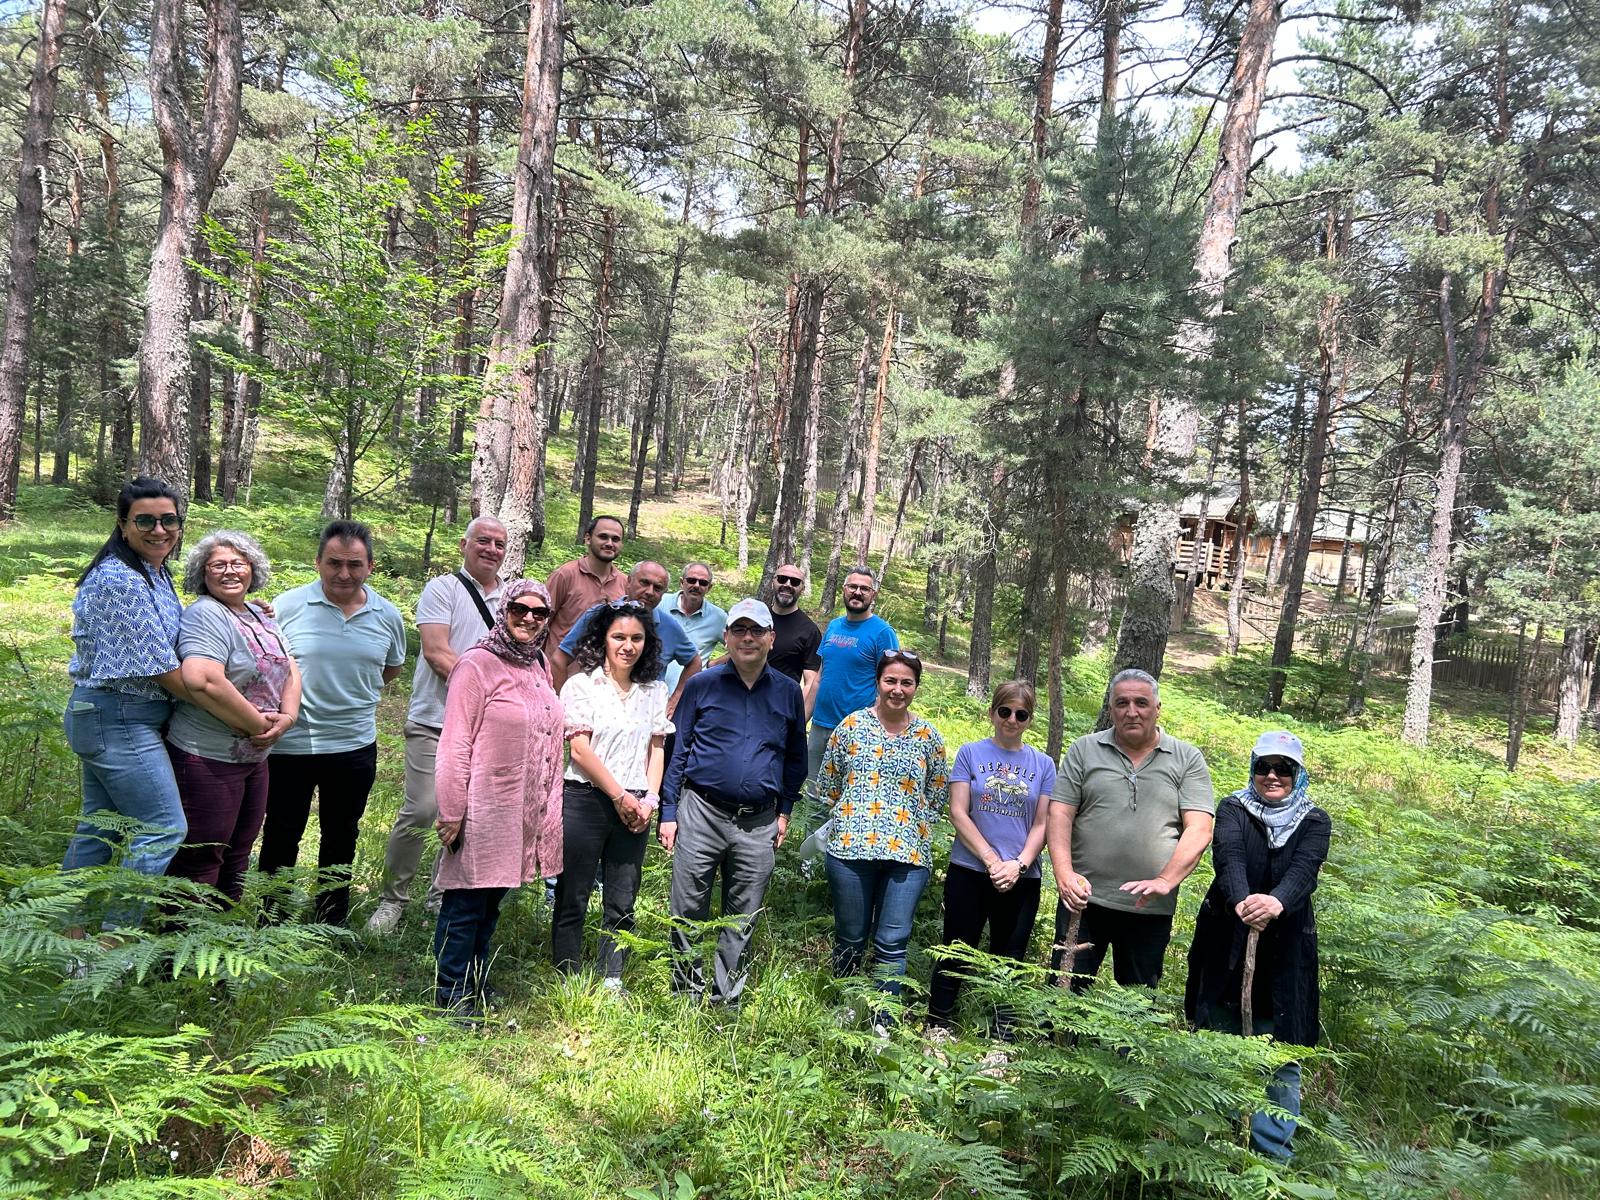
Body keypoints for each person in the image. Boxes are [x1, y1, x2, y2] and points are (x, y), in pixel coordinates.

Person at [1186, 731, 1330, 1161]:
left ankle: (1270, 1158)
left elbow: (1306, 868)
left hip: (1286, 952)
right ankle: (1211, 1146)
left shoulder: (1314, 819)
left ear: (1297, 774)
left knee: (1281, 1048)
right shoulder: (1233, 808)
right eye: (1263, 766)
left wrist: (1277, 902)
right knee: (1218, 1035)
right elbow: (1228, 856)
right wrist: (1244, 901)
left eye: (1283, 768)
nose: (1272, 775)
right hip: (1227, 940)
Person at [258, 520, 407, 925]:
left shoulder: (387, 616)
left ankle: (329, 918)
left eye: (354, 565)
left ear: (371, 566)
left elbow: (390, 669)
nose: (344, 574)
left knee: (342, 835)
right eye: (334, 563)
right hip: (292, 745)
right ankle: (271, 915)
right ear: (318, 562)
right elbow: (267, 666)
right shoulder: (287, 607)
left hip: (354, 746)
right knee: (282, 833)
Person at [661, 599, 807, 1008]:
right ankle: (685, 995)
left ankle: (726, 999)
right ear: (726, 637)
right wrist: (669, 812)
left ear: (771, 638)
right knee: (688, 906)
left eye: (756, 631)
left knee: (742, 914)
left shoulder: (787, 692)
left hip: (759, 820)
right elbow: (679, 751)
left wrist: (786, 810)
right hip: (700, 811)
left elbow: (796, 756)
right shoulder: (701, 685)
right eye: (739, 630)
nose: (747, 638)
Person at [367, 517, 507, 935]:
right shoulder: (442, 589)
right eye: (483, 540)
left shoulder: (512, 601)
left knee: (470, 816)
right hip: (435, 720)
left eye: (499, 543)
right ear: (465, 544)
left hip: (485, 730)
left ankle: (442, 894)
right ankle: (392, 900)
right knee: (422, 810)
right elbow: (434, 651)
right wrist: (485, 695)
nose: (491, 549)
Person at [61, 478, 192, 921]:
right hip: (117, 717)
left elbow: (174, 634)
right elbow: (163, 670)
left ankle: (66, 934)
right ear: (122, 524)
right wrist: (240, 718)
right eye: (145, 521)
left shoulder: (153, 571)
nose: (159, 529)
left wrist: (247, 610)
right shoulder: (119, 579)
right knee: (162, 828)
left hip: (108, 716)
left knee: (100, 829)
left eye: (168, 519)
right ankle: (116, 946)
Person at [432, 580, 565, 1016]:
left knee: (490, 904)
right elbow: (454, 743)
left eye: (539, 613)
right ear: (503, 612)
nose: (529, 618)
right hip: (482, 806)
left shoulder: (537, 663)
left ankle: (474, 982)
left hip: (522, 808)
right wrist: (452, 811)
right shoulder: (477, 664)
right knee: (466, 902)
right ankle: (450, 995)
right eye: (519, 610)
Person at [1047, 668, 1215, 989]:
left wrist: (1166, 881)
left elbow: (1200, 829)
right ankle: (1059, 1042)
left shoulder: (1186, 758)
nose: (1131, 711)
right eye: (1122, 703)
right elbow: (1060, 815)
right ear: (1111, 709)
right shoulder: (1084, 749)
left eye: (1141, 702)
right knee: (1066, 991)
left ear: (1157, 708)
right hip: (1082, 900)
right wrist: (1065, 875)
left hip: (1149, 907)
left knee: (1135, 1005)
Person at [165, 530, 301, 903]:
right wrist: (260, 726)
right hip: (205, 756)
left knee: (237, 854)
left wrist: (287, 717)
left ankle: (221, 944)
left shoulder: (259, 612)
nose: (230, 571)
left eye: (238, 564)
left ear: (252, 569)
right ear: (202, 573)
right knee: (200, 858)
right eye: (218, 565)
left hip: (254, 758)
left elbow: (289, 666)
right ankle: (180, 953)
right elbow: (203, 678)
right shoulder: (206, 614)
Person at [817, 648, 949, 1026]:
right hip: (849, 850)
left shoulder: (928, 736)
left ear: (915, 688)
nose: (897, 689)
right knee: (850, 937)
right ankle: (845, 1012)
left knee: (892, 943)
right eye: (890, 680)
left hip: (907, 856)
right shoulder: (852, 727)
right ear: (878, 682)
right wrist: (854, 815)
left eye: (906, 682)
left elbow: (938, 793)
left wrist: (906, 823)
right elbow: (828, 783)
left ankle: (882, 1023)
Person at [552, 601, 673, 986]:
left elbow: (657, 749)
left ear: (647, 643)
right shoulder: (582, 685)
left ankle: (611, 977)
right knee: (574, 890)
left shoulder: (655, 690)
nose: (628, 645)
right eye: (618, 636)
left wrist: (650, 800)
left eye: (637, 638)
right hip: (585, 800)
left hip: (636, 803)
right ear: (602, 639)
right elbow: (580, 750)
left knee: (622, 896)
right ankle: (567, 973)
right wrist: (619, 795)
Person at [927, 681, 1052, 1035]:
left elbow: (1043, 823)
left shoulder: (1043, 765)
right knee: (956, 949)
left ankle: (1001, 1037)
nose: (1012, 720)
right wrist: (991, 859)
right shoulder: (970, 754)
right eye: (1005, 711)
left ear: (1029, 719)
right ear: (993, 712)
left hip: (1021, 877)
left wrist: (1018, 865)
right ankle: (938, 1025)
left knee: (1009, 959)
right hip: (969, 870)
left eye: (1021, 714)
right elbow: (958, 812)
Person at [808, 568, 898, 814]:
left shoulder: (882, 633)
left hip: (857, 732)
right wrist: (802, 718)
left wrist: (881, 732)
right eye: (852, 587)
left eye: (864, 588)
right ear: (844, 590)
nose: (857, 592)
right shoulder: (835, 626)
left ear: (873, 594)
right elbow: (819, 677)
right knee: (813, 797)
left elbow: (891, 686)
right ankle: (808, 853)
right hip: (820, 726)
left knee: (848, 799)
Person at [550, 561, 702, 708]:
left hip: (646, 713)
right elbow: (559, 659)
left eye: (657, 588)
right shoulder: (599, 616)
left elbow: (694, 662)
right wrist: (563, 706)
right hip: (594, 712)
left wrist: (676, 700)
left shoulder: (669, 626)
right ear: (628, 582)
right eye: (644, 583)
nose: (649, 592)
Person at [544, 514, 626, 652]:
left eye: (616, 539)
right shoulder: (565, 575)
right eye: (603, 537)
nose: (609, 543)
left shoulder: (625, 584)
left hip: (602, 672)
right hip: (559, 670)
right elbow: (541, 622)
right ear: (588, 539)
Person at [660, 562, 726, 693]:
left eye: (703, 583)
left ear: (709, 587)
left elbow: (738, 646)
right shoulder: (660, 603)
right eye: (691, 580)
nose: (696, 585)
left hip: (691, 694)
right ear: (681, 582)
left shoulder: (718, 617)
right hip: (650, 688)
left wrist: (714, 664)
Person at [765, 563, 821, 700]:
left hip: (778, 705)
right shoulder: (756, 617)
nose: (788, 584)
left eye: (795, 582)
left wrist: (796, 713)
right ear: (773, 582)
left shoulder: (810, 631)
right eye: (782, 579)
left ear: (802, 588)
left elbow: (811, 683)